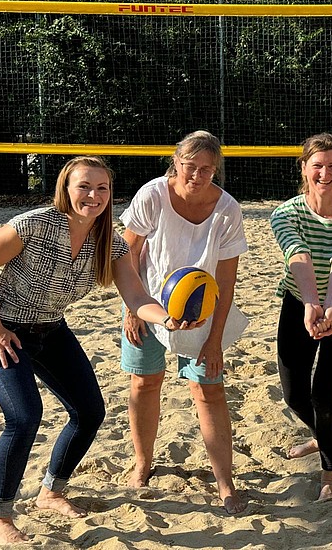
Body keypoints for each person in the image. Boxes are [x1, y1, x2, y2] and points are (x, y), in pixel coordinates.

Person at [0, 156, 191, 546]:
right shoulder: (34, 224)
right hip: (5, 331)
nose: (93, 195)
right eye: (84, 186)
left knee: (89, 412)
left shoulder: (110, 243)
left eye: (102, 188)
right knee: (24, 417)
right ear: (66, 189)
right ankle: (0, 519)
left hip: (51, 330)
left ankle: (51, 492)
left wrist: (167, 319)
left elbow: (137, 296)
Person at [120, 130, 248, 514]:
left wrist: (215, 339)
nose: (198, 175)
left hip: (200, 311)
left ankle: (225, 482)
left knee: (209, 390)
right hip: (147, 302)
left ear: (216, 170)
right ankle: (143, 464)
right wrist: (132, 306)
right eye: (190, 167)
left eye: (207, 169)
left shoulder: (227, 209)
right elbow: (129, 250)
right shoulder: (153, 194)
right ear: (175, 163)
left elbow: (227, 279)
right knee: (144, 383)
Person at [270, 133, 332, 500]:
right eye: (317, 165)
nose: (325, 173)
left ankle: (330, 475)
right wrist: (311, 304)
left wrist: (329, 306)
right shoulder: (285, 212)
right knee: (294, 394)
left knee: (324, 395)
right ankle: (323, 435)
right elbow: (297, 254)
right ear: (304, 168)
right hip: (300, 300)